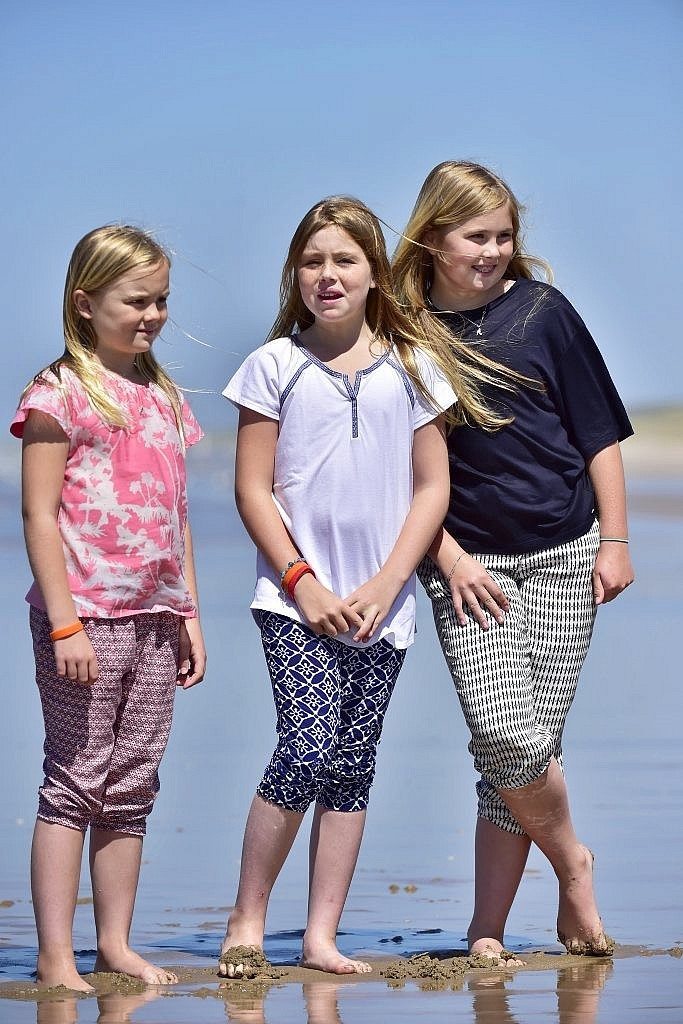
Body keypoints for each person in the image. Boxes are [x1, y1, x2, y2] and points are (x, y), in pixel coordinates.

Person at [218, 195, 472, 977]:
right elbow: (252, 490)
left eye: (344, 260)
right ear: (294, 274)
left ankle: (320, 935)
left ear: (374, 275)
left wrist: (389, 581)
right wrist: (302, 583)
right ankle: (247, 921)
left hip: (383, 604)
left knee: (352, 761)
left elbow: (431, 490)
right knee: (303, 747)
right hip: (295, 602)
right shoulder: (273, 364)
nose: (327, 275)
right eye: (312, 261)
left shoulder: (416, 365)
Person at [392, 161, 634, 963]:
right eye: (476, 236)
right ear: (431, 237)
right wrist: (447, 556)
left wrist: (614, 539)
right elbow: (394, 469)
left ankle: (484, 930)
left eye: (504, 236)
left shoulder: (542, 312)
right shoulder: (402, 329)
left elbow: (597, 431)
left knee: (530, 746)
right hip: (467, 563)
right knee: (505, 734)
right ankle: (574, 867)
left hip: (567, 552)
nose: (493, 250)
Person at [10, 225, 207, 992]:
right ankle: (56, 956)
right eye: (136, 300)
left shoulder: (162, 395)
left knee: (132, 782)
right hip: (83, 618)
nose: (152, 314)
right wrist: (63, 621)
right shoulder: (58, 393)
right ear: (86, 303)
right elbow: (37, 516)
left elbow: (178, 513)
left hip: (157, 617)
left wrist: (188, 612)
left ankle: (114, 944)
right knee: (74, 779)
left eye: (161, 299)